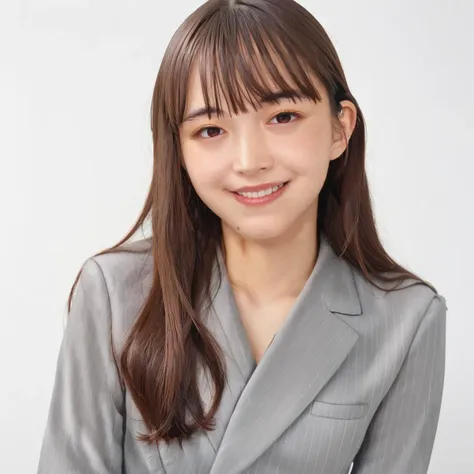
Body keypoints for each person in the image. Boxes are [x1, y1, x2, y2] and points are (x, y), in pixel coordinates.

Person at [37, 0, 447, 473]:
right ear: (180, 152)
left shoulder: (407, 320)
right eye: (211, 129)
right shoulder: (113, 293)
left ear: (340, 128)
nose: (249, 160)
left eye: (283, 117)